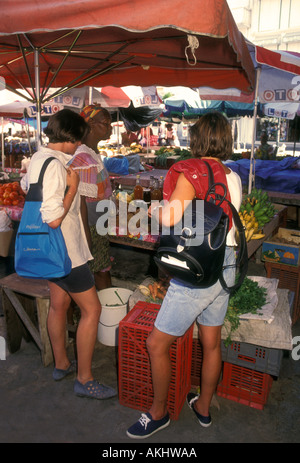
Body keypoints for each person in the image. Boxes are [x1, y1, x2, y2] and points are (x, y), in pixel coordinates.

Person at [126, 112, 242, 439]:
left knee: (156, 342)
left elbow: (170, 217)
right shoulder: (232, 175)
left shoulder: (190, 173)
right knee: (211, 342)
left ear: (195, 139)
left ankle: (158, 412)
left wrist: (152, 211)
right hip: (226, 264)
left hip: (199, 270)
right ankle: (203, 406)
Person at [26, 109, 116, 400]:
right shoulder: (56, 165)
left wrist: (79, 186)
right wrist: (72, 189)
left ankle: (62, 363)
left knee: (58, 304)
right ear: (70, 136)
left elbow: (27, 188)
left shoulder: (39, 158)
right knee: (93, 310)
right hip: (66, 251)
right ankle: (85, 379)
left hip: (49, 252)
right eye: (78, 140)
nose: (80, 145)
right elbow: (53, 217)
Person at [71, 105, 113, 291]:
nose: (110, 127)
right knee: (99, 271)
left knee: (99, 269)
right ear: (91, 125)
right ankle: (105, 312)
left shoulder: (92, 154)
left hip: (97, 224)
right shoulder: (83, 158)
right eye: (106, 123)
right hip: (90, 227)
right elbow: (80, 203)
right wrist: (87, 237)